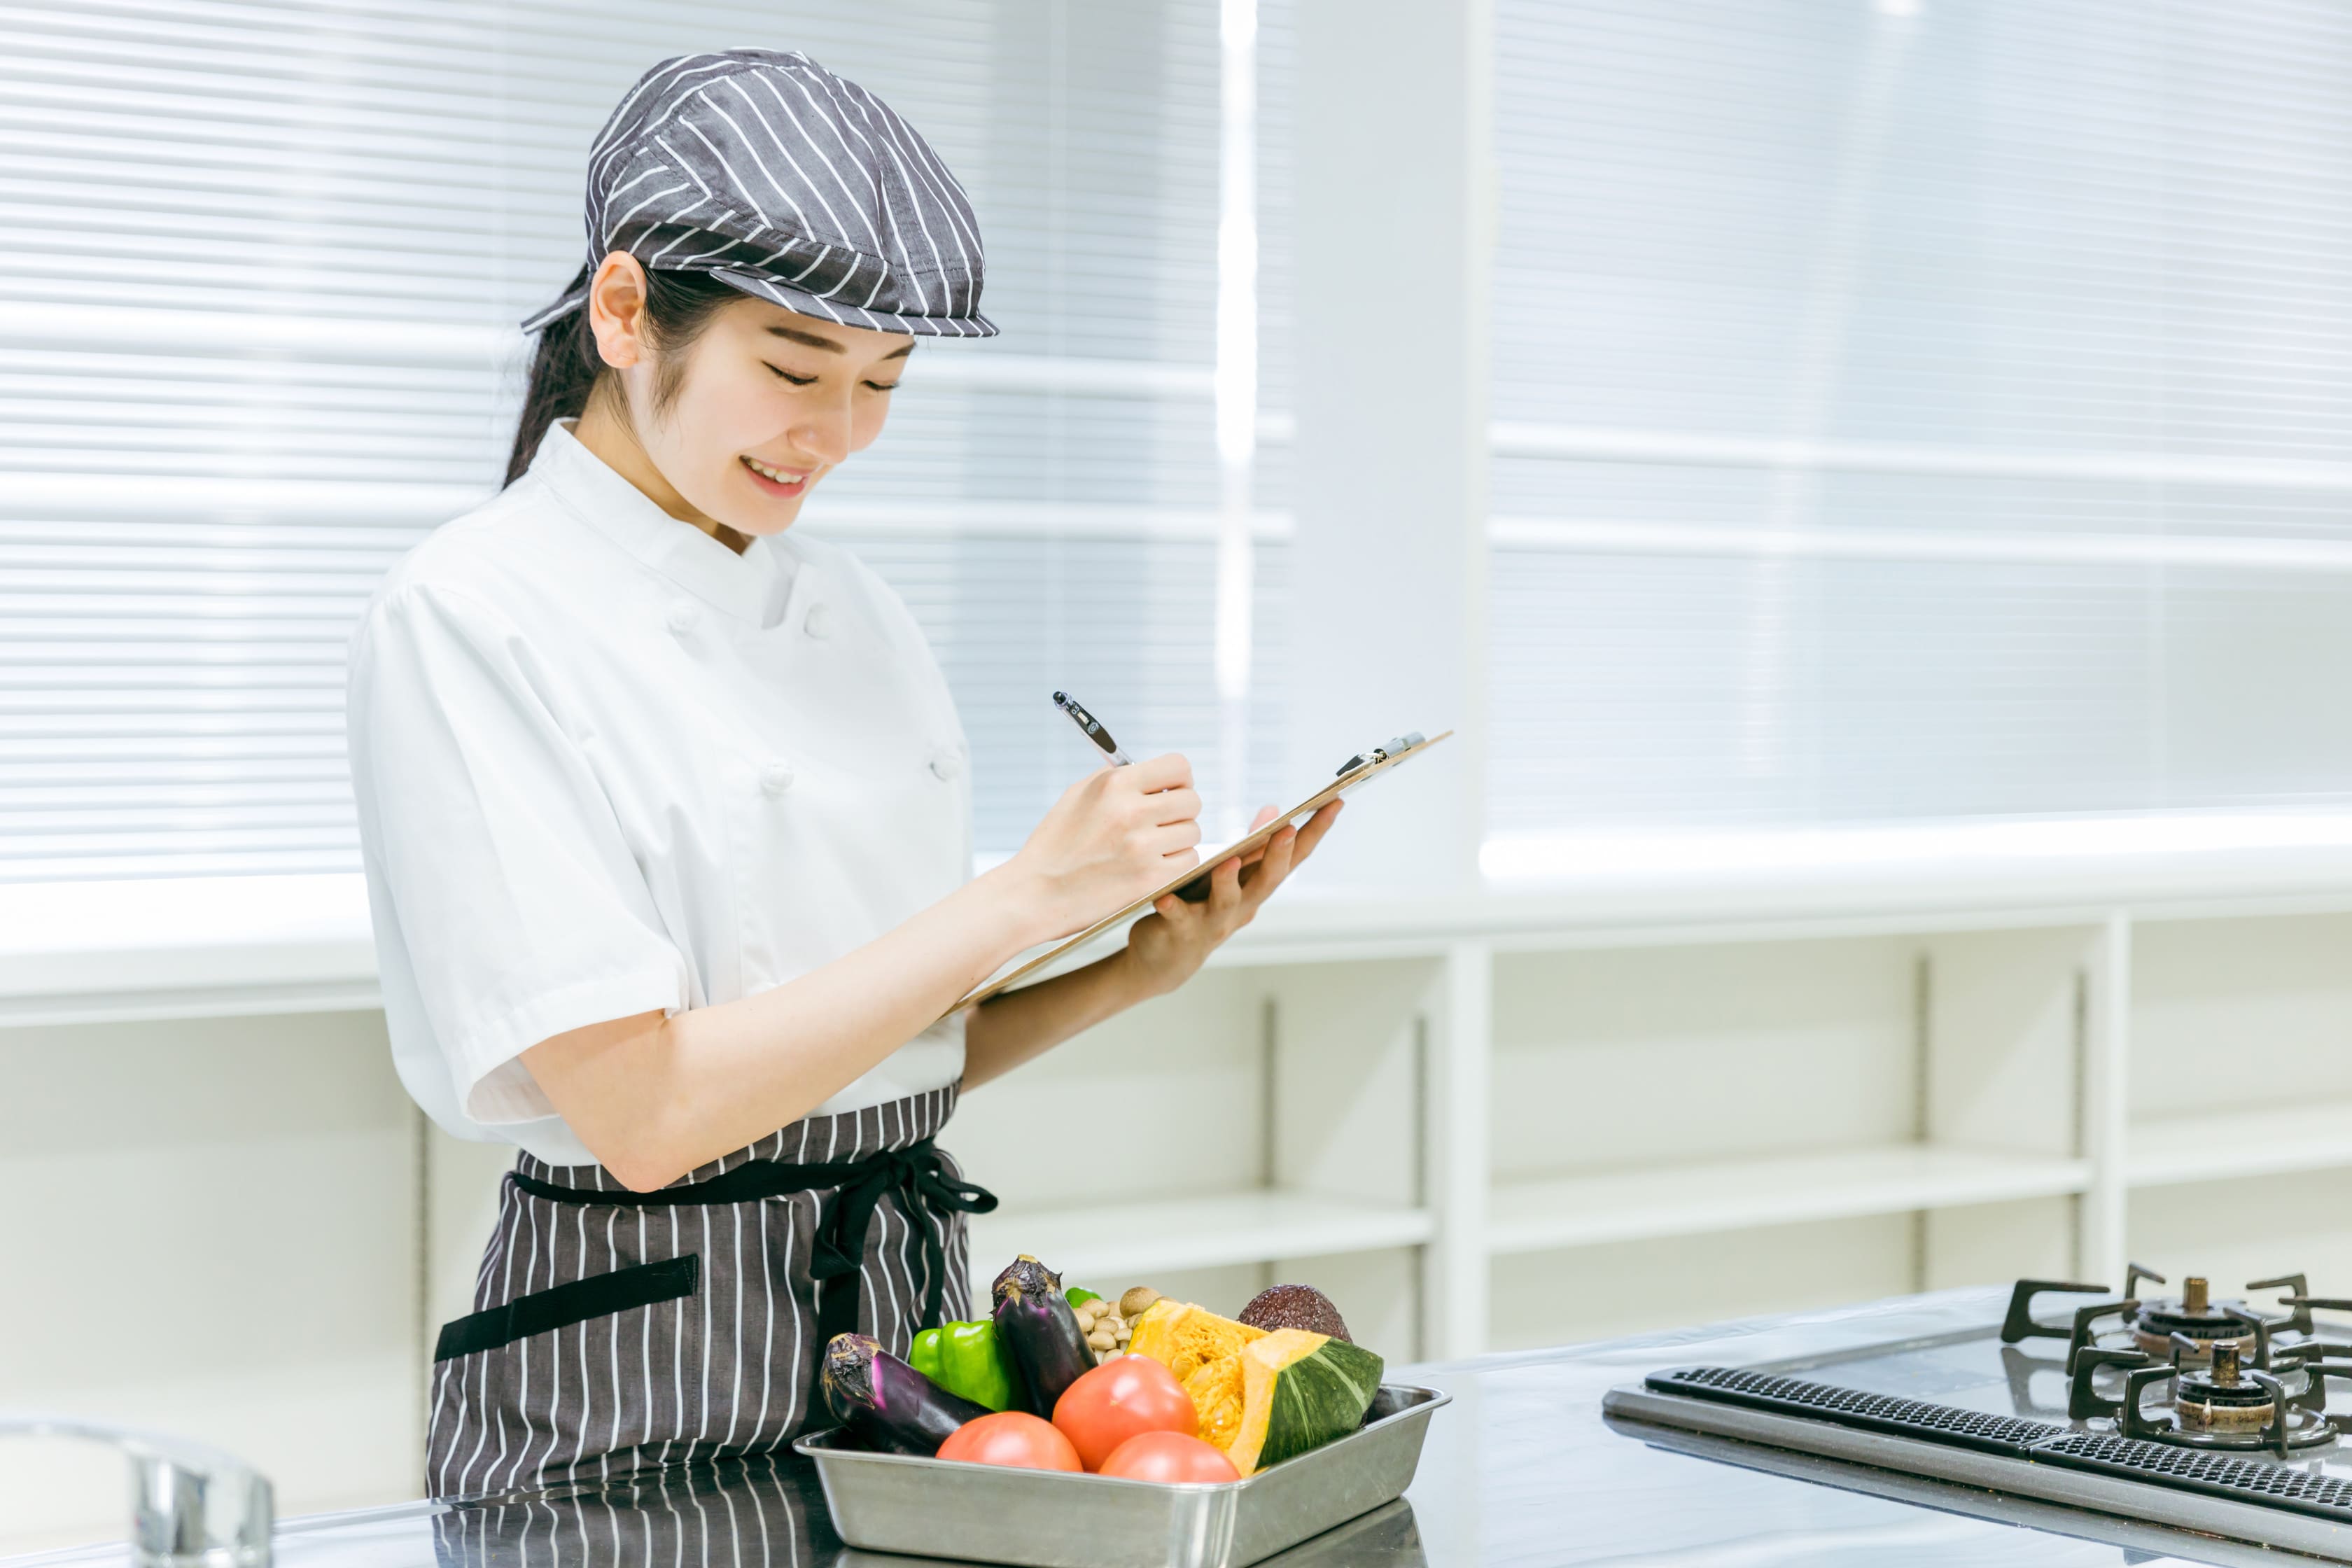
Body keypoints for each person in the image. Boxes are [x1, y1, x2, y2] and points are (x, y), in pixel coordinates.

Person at [345, 49, 1339, 1499]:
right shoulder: (469, 614)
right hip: (636, 1368)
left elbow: (877, 1067)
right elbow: (648, 1117)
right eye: (795, 370)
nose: (841, 433)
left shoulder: (857, 609)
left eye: (884, 381)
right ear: (625, 312)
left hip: (910, 1324)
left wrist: (1129, 965)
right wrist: (1020, 898)